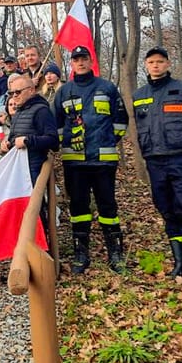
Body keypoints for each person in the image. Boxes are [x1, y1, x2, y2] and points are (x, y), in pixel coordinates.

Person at [133, 46, 182, 286]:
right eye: (151, 62)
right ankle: (180, 264)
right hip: (155, 161)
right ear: (145, 65)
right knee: (167, 210)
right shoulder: (139, 95)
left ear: (168, 64)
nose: (155, 66)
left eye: (160, 61)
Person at [54, 45, 128, 274]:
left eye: (84, 58)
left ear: (90, 61)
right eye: (76, 59)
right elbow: (56, 125)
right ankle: (80, 253)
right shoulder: (64, 92)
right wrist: (67, 142)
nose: (80, 63)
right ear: (72, 63)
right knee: (78, 208)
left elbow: (121, 120)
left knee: (108, 207)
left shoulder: (107, 88)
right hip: (75, 163)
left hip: (103, 161)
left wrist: (107, 140)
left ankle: (115, 253)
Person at [0, 75, 59, 236]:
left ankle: (43, 248)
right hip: (18, 169)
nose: (14, 96)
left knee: (35, 210)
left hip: (34, 168)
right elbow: (14, 137)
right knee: (21, 209)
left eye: (18, 92)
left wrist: (28, 141)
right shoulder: (18, 113)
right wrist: (7, 144)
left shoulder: (41, 111)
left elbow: (53, 141)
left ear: (31, 90)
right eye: (12, 93)